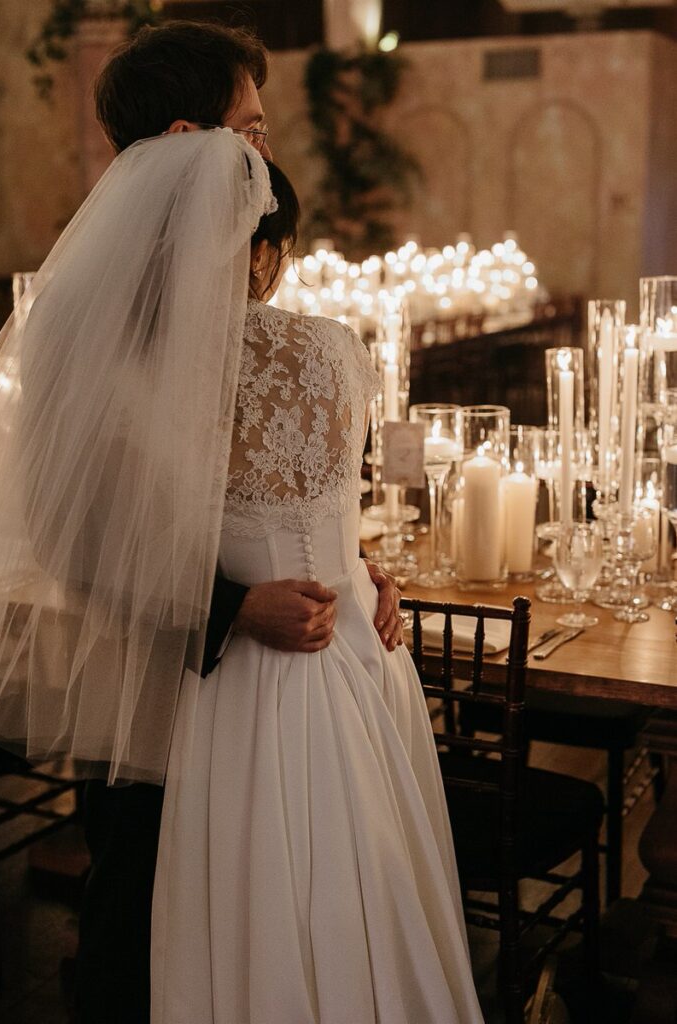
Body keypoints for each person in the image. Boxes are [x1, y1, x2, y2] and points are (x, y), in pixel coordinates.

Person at [0, 21, 400, 1024]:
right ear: (193, 135)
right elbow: (68, 531)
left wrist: (353, 564)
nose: (265, 155)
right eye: (250, 129)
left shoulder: (251, 314)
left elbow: (264, 486)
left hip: (287, 712)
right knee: (144, 945)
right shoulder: (93, 321)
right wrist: (231, 606)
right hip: (161, 708)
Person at [150, 160, 484, 1023]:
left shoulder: (152, 369)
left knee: (260, 910)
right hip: (358, 650)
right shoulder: (336, 347)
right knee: (374, 891)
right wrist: (356, 565)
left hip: (249, 681)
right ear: (264, 255)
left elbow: (151, 542)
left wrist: (347, 561)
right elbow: (326, 506)